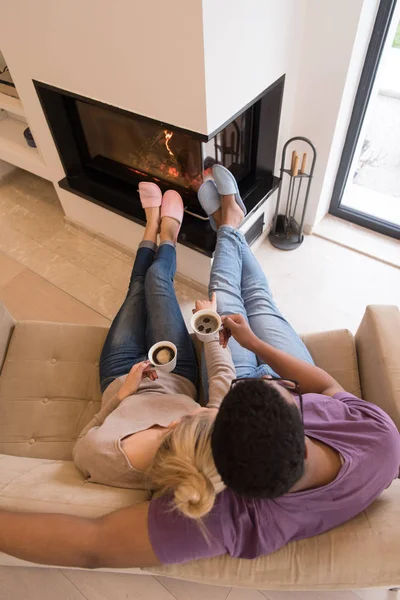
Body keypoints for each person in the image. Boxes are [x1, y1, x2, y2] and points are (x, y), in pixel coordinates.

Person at [0, 168, 399, 570]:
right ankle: (230, 224)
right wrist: (256, 345)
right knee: (260, 301)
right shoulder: (381, 440)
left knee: (228, 296)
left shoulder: (234, 516)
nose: (272, 380)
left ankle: (228, 222)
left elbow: (94, 545)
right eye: (279, 389)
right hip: (279, 379)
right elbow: (325, 385)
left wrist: (231, 362)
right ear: (298, 414)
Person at [73, 181, 235, 518]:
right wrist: (209, 326)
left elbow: (86, 434)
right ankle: (168, 237)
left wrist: (123, 394)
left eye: (192, 416)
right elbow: (222, 379)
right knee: (157, 281)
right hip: (176, 373)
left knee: (136, 287)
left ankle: (152, 225)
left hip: (120, 373)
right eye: (200, 412)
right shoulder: (209, 440)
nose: (191, 410)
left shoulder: (107, 458)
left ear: (176, 435)